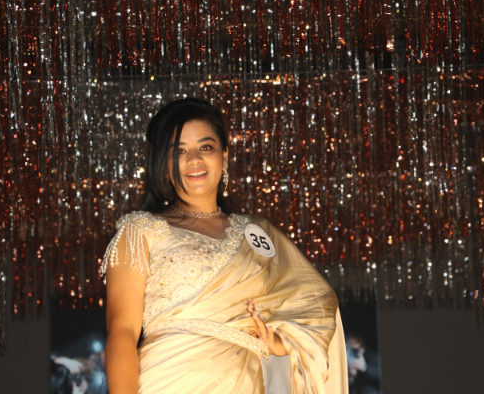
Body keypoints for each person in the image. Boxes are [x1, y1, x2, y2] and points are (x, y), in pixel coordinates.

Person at [101, 98, 348, 394]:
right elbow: (123, 331)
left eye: (206, 147)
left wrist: (285, 342)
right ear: (164, 164)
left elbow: (314, 303)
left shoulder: (258, 233)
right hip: (169, 379)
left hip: (245, 382)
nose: (194, 159)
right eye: (179, 151)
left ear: (225, 156)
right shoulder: (140, 231)